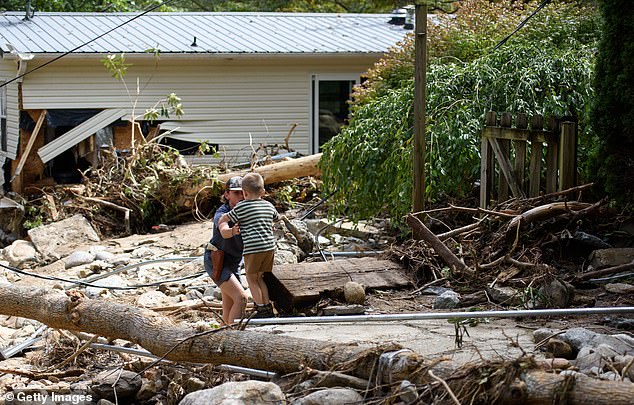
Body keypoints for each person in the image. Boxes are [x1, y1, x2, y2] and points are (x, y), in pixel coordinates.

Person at [219, 172, 281, 318]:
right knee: (260, 278)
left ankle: (261, 309)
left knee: (251, 279)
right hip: (269, 248)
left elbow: (226, 218)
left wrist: (223, 223)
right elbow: (277, 219)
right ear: (263, 192)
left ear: (244, 193)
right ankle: (267, 307)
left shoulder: (242, 207)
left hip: (253, 249)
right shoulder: (268, 205)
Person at [204, 176, 249, 325]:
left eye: (243, 192)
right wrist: (232, 231)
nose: (241, 196)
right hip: (218, 261)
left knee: (229, 307)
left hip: (234, 263)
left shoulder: (249, 212)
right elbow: (223, 230)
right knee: (241, 298)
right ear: (227, 195)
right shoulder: (222, 212)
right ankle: (232, 338)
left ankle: (222, 339)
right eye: (236, 193)